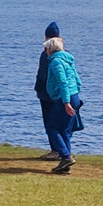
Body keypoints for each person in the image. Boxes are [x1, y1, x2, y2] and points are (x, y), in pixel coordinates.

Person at [44, 37, 82, 174]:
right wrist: (75, 97)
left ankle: (65, 157)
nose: (45, 51)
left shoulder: (56, 62)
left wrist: (66, 102)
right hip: (74, 96)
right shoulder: (69, 60)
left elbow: (63, 82)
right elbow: (77, 81)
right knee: (65, 130)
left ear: (50, 49)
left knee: (52, 128)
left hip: (63, 98)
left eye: (46, 49)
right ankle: (65, 165)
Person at [35, 22, 62, 160]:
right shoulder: (65, 53)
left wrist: (38, 87)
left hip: (47, 94)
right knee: (61, 123)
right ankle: (63, 149)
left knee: (49, 122)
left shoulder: (46, 54)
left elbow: (42, 75)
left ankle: (55, 150)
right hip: (62, 94)